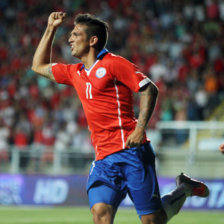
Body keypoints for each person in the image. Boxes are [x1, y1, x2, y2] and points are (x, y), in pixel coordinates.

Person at [32, 12, 209, 224]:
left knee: (153, 220)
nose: (69, 38)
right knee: (100, 214)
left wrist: (139, 129)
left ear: (92, 40)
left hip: (132, 153)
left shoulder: (114, 63)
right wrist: (51, 28)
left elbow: (149, 89)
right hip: (103, 160)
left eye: (75, 34)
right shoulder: (75, 72)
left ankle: (185, 188)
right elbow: (38, 66)